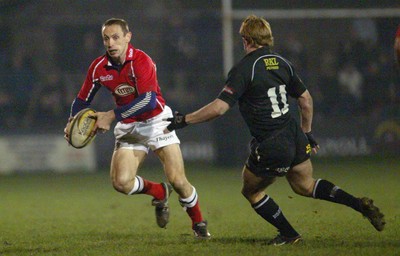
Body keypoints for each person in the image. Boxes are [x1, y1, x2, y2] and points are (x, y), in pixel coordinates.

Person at [165, 15, 385, 245]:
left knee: (251, 190)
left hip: (272, 141)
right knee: (305, 185)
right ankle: (357, 203)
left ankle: (290, 234)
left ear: (246, 39)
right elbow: (306, 100)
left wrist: (185, 120)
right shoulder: (282, 62)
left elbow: (219, 108)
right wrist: (307, 133)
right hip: (294, 134)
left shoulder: (244, 69)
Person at [63, 18, 210, 238]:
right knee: (121, 182)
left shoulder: (142, 60)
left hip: (157, 122)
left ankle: (198, 223)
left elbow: (148, 100)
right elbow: (82, 100)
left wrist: (111, 115)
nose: (111, 43)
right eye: (106, 38)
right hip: (130, 125)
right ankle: (159, 192)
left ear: (127, 37)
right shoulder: (98, 67)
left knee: (178, 180)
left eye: (115, 37)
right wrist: (72, 120)